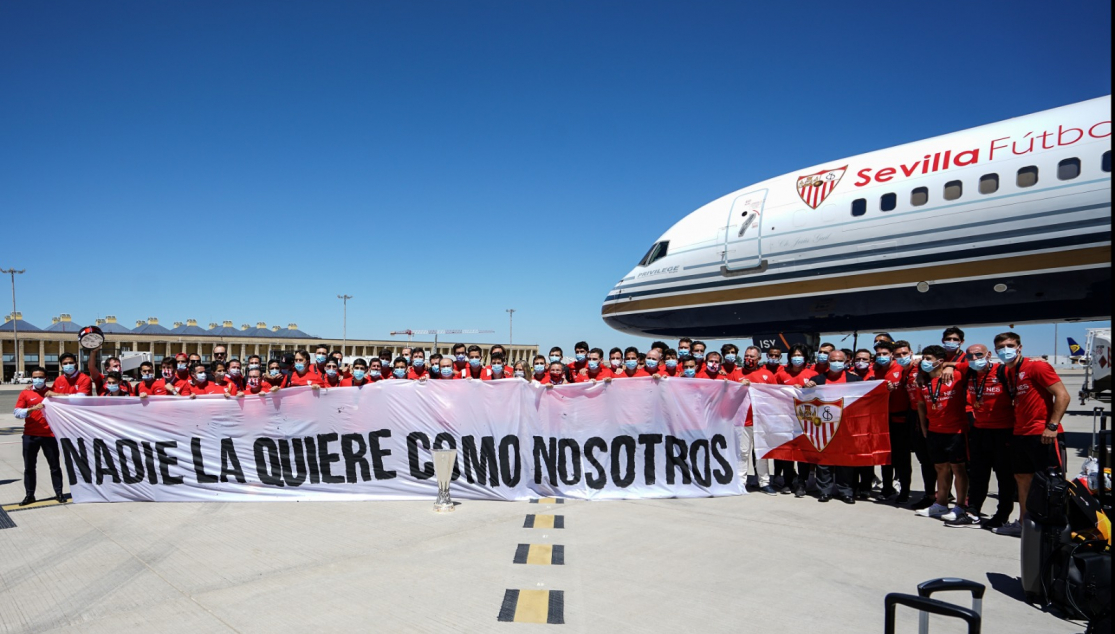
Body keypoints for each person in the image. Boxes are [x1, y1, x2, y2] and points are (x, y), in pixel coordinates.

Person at [993, 332, 1070, 537]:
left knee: (1050, 481)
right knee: (1022, 478)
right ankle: (1024, 523)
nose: (1005, 350)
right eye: (1000, 347)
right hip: (1020, 433)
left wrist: (1052, 427)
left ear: (1019, 347)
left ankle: (1054, 527)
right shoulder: (1007, 372)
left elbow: (1062, 395)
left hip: (1043, 433)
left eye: (1009, 345)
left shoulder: (1037, 366)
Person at [945, 343, 1015, 529]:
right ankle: (972, 512)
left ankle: (1002, 515)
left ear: (989, 354)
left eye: (979, 355)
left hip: (1003, 431)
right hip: (979, 430)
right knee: (978, 474)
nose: (975, 359)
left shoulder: (1003, 372)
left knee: (1004, 476)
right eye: (970, 357)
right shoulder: (969, 371)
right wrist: (950, 367)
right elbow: (946, 364)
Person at [913, 346, 970, 521]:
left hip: (956, 431)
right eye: (923, 358)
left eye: (928, 358)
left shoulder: (955, 376)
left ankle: (960, 506)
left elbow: (970, 365)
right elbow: (921, 406)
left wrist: (950, 365)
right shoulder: (922, 382)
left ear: (939, 361)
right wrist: (924, 427)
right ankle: (941, 503)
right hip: (934, 431)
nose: (924, 361)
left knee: (958, 469)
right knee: (940, 468)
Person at [806, 350, 860, 503]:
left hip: (847, 425)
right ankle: (824, 490)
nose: (836, 363)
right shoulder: (818, 379)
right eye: (833, 360)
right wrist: (807, 387)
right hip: (824, 425)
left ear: (846, 362)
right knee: (824, 460)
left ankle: (846, 491)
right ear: (828, 362)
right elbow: (807, 399)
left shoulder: (854, 380)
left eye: (840, 360)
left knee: (845, 460)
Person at [13, 367, 64, 505]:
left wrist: (57, 395)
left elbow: (69, 398)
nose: (37, 380)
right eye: (35, 377)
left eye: (40, 377)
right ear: (31, 378)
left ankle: (59, 493)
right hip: (30, 435)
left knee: (55, 466)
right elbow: (17, 413)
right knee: (29, 467)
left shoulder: (51, 392)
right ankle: (30, 495)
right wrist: (31, 409)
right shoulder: (26, 393)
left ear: (46, 378)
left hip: (49, 435)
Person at [872, 341, 911, 502]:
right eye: (879, 354)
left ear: (892, 355)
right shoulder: (876, 371)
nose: (882, 357)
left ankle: (904, 490)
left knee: (902, 458)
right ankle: (887, 487)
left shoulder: (903, 369)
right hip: (883, 420)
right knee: (885, 457)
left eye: (885, 354)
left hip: (902, 419)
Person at [777, 344, 818, 497]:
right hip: (786, 417)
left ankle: (801, 482)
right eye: (794, 355)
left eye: (800, 355)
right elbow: (773, 393)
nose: (797, 358)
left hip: (805, 419)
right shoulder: (782, 374)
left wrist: (810, 387)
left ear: (806, 358)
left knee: (803, 453)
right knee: (788, 452)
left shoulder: (813, 374)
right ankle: (788, 482)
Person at [739, 346, 777, 494]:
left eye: (752, 357)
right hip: (743, 421)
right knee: (743, 453)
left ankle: (764, 482)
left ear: (759, 359)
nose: (749, 359)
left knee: (761, 453)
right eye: (746, 355)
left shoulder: (767, 375)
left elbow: (775, 395)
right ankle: (741, 482)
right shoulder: (737, 374)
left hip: (761, 421)